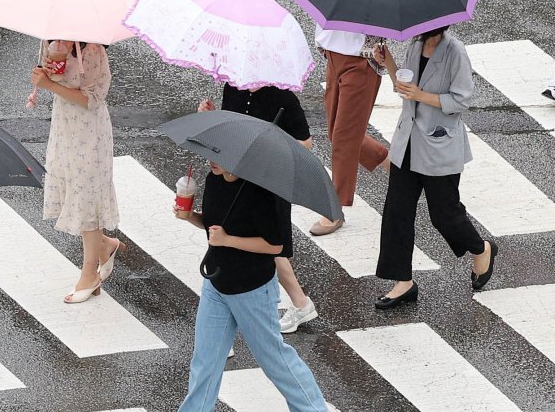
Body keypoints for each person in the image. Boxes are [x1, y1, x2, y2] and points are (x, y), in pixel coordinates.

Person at [172, 162, 331, 412]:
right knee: (205, 362)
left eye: (218, 158)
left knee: (271, 355)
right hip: (217, 282)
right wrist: (190, 217)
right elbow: (212, 226)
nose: (212, 161)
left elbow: (274, 245)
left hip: (253, 288)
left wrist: (228, 239)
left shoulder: (263, 191)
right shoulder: (214, 179)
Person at [371, 27, 498, 309]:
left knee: (444, 214)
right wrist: (388, 61)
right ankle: (402, 281)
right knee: (397, 210)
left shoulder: (455, 52)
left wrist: (420, 94)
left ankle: (481, 248)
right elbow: (404, 88)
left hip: (439, 144)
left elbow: (461, 100)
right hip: (408, 143)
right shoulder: (415, 47)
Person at [198, 82, 317, 335]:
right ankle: (300, 302)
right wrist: (211, 116)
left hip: (270, 179)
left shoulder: (283, 97)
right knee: (256, 237)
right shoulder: (233, 88)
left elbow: (305, 143)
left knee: (268, 240)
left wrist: (270, 150)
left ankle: (298, 302)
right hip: (237, 176)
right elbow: (234, 128)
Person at [31, 40, 123, 304]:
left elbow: (92, 100)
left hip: (90, 131)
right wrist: (45, 72)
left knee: (86, 198)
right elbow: (53, 80)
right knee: (73, 189)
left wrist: (50, 84)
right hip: (64, 127)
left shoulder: (93, 51)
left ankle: (89, 273)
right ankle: (104, 245)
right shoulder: (50, 42)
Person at [310, 28, 391, 235]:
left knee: (344, 137)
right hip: (333, 56)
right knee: (335, 133)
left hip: (361, 62)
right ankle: (392, 164)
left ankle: (335, 209)